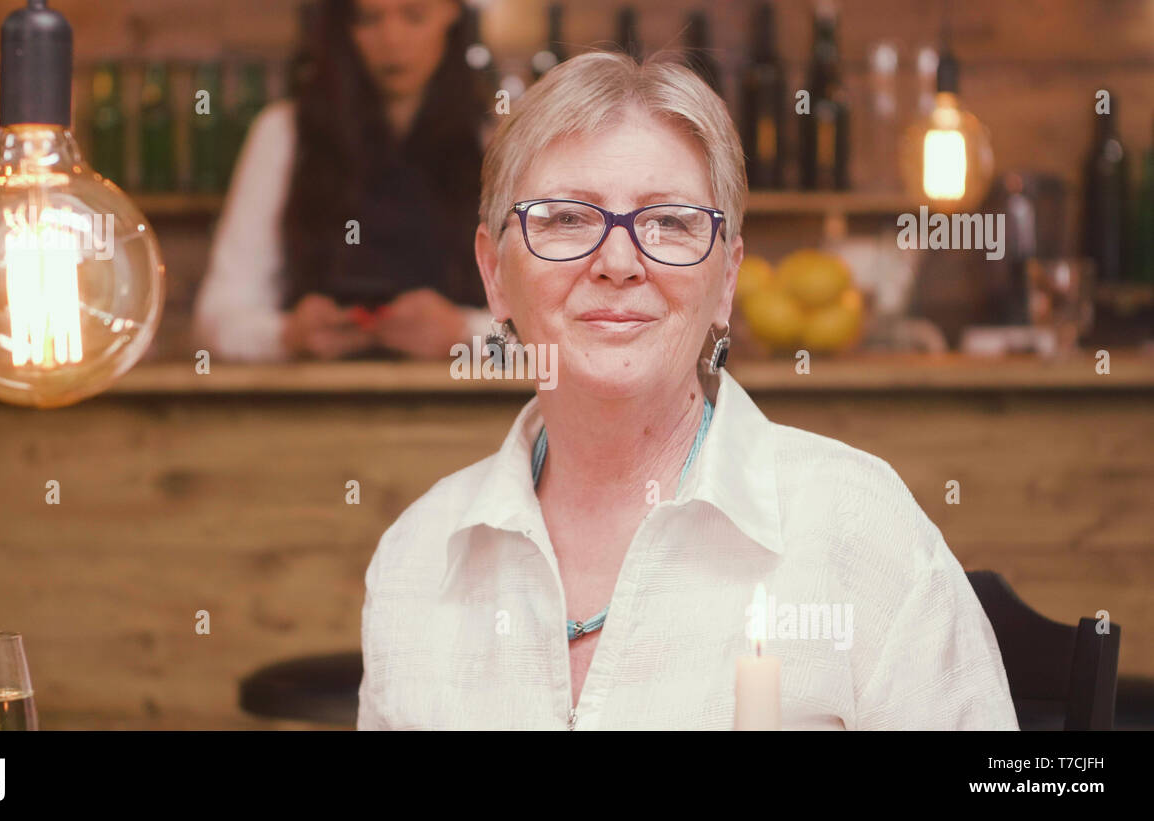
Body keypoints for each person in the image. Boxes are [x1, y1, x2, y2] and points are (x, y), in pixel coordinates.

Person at [357, 51, 1019, 730]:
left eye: (670, 222)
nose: (618, 262)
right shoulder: (417, 558)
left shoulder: (858, 530)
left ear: (726, 280)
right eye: (565, 219)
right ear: (495, 274)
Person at [194, 0, 493, 361]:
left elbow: (548, 344)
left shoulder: (497, 139)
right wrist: (286, 335)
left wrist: (464, 333)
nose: (392, 39)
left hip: (465, 411)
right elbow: (214, 321)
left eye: (414, 16)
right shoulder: (283, 134)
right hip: (309, 408)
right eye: (368, 20)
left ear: (453, 16)